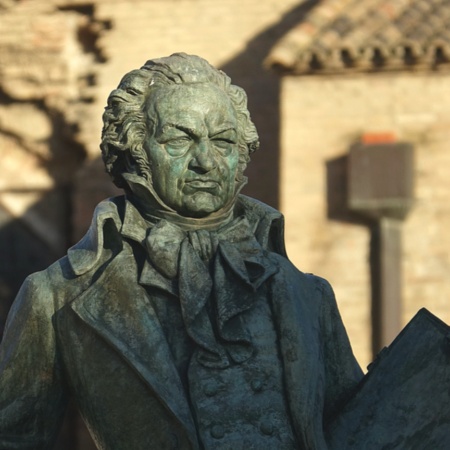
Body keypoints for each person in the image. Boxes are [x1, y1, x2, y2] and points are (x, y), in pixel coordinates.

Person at [0, 53, 362, 450]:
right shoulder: (56, 296)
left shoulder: (309, 295)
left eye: (222, 140)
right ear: (135, 151)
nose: (206, 162)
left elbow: (360, 428)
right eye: (178, 139)